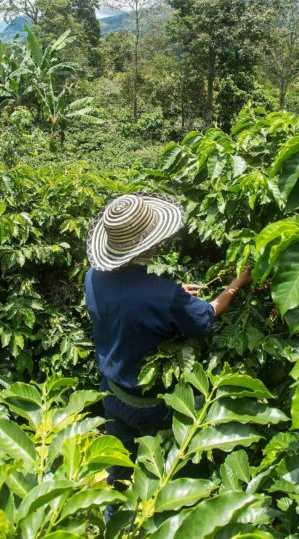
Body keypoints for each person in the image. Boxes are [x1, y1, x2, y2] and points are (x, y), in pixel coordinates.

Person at [84, 192, 253, 485]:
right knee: (160, 471)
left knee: (117, 470)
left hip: (111, 392)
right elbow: (207, 316)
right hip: (150, 403)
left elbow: (131, 309)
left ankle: (113, 519)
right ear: (149, 243)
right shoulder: (162, 294)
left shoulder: (93, 276)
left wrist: (174, 297)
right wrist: (237, 283)